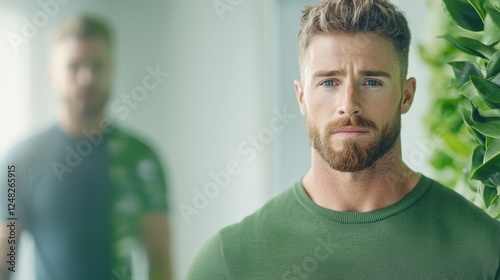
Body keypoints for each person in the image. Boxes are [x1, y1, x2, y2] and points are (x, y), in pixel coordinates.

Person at [186, 0, 500, 279]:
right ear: (301, 97)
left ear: (407, 95)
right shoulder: (228, 262)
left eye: (372, 81)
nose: (348, 104)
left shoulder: (485, 250)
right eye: (329, 82)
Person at [0, 16, 172, 280]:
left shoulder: (142, 159)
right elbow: (5, 261)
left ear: (112, 70)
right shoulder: (18, 164)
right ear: (52, 74)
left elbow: (160, 264)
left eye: (97, 65)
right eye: (73, 66)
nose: (87, 77)